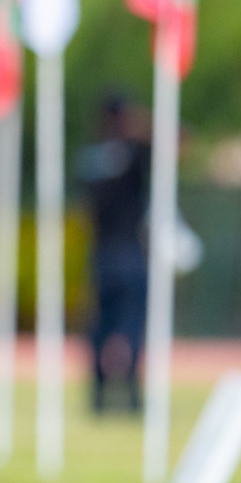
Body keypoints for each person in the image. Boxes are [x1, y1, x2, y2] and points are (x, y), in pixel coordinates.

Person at [78, 92, 150, 414]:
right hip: (129, 251)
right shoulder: (135, 151)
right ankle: (131, 395)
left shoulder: (91, 157)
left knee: (102, 324)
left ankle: (99, 396)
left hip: (102, 252)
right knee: (131, 323)